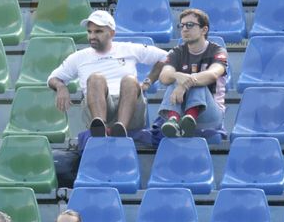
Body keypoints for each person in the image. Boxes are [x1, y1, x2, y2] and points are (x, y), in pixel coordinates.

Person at [47, 9, 167, 138]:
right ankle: (100, 128)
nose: (92, 36)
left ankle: (121, 129)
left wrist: (148, 82)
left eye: (98, 31)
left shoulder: (128, 48)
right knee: (95, 78)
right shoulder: (79, 57)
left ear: (111, 33)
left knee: (130, 80)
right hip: (97, 106)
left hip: (130, 107)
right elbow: (52, 78)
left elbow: (167, 58)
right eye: (89, 32)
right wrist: (61, 87)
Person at [158, 8, 228, 138]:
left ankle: (191, 116)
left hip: (210, 116)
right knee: (176, 77)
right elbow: (164, 76)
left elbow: (212, 74)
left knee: (198, 80)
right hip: (180, 112)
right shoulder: (176, 52)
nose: (184, 29)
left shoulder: (217, 51)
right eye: (182, 25)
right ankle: (173, 120)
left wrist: (185, 83)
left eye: (190, 25)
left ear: (204, 30)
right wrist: (177, 75)